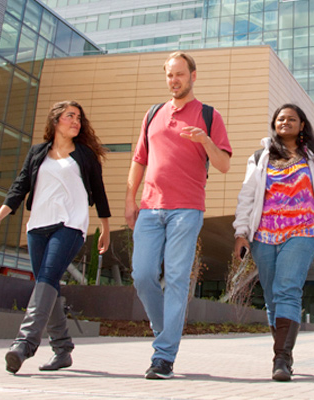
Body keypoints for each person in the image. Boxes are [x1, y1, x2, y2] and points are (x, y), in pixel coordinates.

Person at [0, 100, 111, 374]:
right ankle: (63, 350)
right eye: (70, 116)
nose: (76, 121)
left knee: (47, 279)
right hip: (37, 227)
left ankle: (24, 344)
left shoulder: (85, 155)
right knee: (47, 284)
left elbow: (99, 192)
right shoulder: (37, 153)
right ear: (55, 121)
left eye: (79, 117)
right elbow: (19, 188)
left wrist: (105, 229)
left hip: (70, 225)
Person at [125, 51, 232, 379]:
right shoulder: (153, 113)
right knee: (142, 276)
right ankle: (165, 332)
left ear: (193, 76)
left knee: (175, 278)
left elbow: (224, 164)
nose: (174, 80)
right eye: (169, 75)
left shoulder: (209, 115)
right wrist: (130, 199)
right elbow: (139, 159)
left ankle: (164, 356)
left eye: (180, 74)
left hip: (187, 209)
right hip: (150, 208)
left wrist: (205, 141)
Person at [232, 103, 314, 382]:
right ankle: (282, 352)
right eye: (280, 118)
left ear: (302, 125)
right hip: (263, 235)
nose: (285, 122)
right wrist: (241, 232)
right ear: (274, 124)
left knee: (287, 289)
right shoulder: (260, 157)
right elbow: (247, 196)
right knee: (271, 297)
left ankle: (282, 358)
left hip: (302, 231)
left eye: (292, 119)